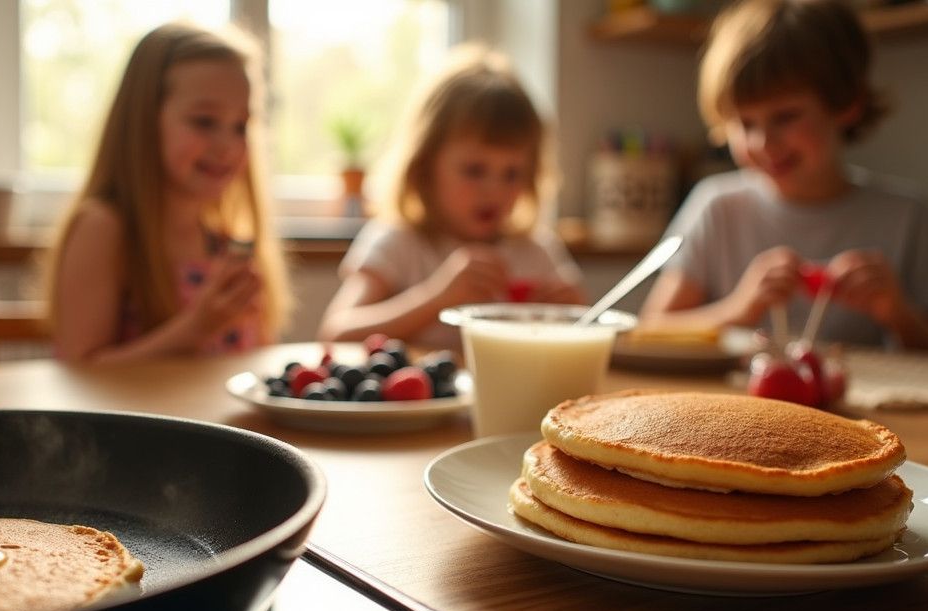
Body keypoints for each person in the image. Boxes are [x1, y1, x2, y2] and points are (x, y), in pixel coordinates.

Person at [639, 0, 928, 350]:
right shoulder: (717, 206)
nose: (763, 142)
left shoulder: (906, 216)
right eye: (745, 123)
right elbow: (650, 330)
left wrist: (897, 312)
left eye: (785, 117)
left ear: (847, 103)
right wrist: (739, 308)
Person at [47, 22, 291, 363]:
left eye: (240, 125)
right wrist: (197, 327)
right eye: (204, 121)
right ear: (144, 120)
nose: (228, 146)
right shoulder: (103, 228)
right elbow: (80, 373)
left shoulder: (225, 244)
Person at [317, 46, 585, 349]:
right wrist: (438, 297)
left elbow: (582, 335)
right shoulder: (398, 242)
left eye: (512, 174)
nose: (494, 190)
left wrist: (574, 316)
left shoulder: (537, 251)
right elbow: (336, 331)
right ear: (425, 166)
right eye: (474, 170)